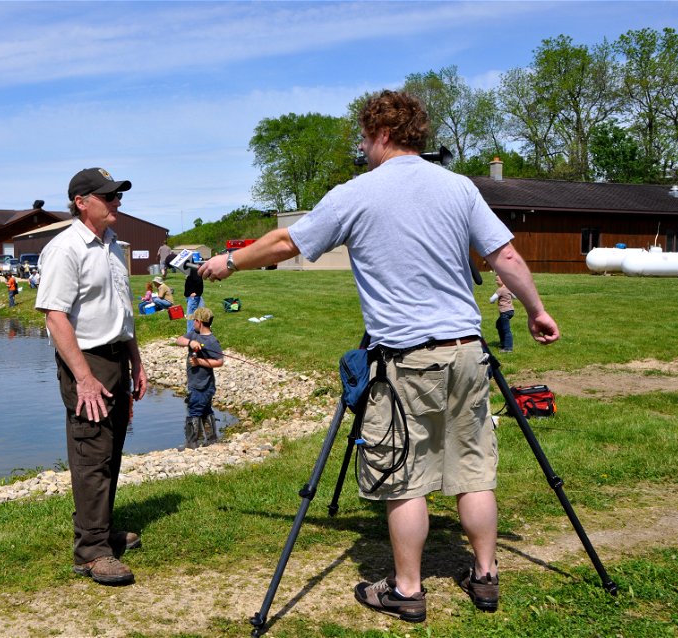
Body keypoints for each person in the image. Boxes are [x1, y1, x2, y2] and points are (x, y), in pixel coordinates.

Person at [198, 89, 559, 622]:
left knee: (405, 477)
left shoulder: (356, 193)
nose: (362, 148)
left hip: (407, 358)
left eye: (364, 138)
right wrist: (536, 310)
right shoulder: (459, 188)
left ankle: (407, 590)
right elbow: (503, 254)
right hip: (468, 352)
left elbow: (284, 243)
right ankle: (485, 577)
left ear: (382, 134)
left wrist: (231, 262)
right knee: (474, 470)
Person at [35, 166, 149, 586]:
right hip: (87, 361)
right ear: (82, 202)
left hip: (116, 356)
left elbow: (123, 310)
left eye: (117, 194)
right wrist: (83, 377)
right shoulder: (66, 248)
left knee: (111, 448)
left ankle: (98, 531)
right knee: (91, 454)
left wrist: (136, 360)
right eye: (108, 195)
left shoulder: (114, 245)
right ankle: (91, 552)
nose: (117, 201)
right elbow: (55, 316)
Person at [175, 307, 224, 448]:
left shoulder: (212, 341)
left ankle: (192, 443)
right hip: (196, 382)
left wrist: (199, 362)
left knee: (194, 410)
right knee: (205, 410)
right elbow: (179, 340)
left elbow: (219, 361)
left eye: (194, 321)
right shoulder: (194, 334)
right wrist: (190, 343)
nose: (192, 323)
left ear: (199, 322)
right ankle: (211, 439)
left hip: (203, 384)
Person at [489, 275, 516, 353]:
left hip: (504, 312)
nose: (496, 282)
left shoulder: (500, 290)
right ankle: (503, 342)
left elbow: (492, 299)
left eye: (497, 280)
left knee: (506, 329)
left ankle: (508, 348)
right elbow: (515, 297)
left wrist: (492, 301)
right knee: (499, 324)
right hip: (511, 311)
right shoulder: (509, 288)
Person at [183, 262, 204, 332]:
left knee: (190, 316)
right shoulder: (191, 270)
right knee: (198, 314)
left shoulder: (194, 270)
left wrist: (197, 293)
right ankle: (200, 330)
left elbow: (199, 281)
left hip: (193, 298)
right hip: (191, 297)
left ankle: (190, 334)